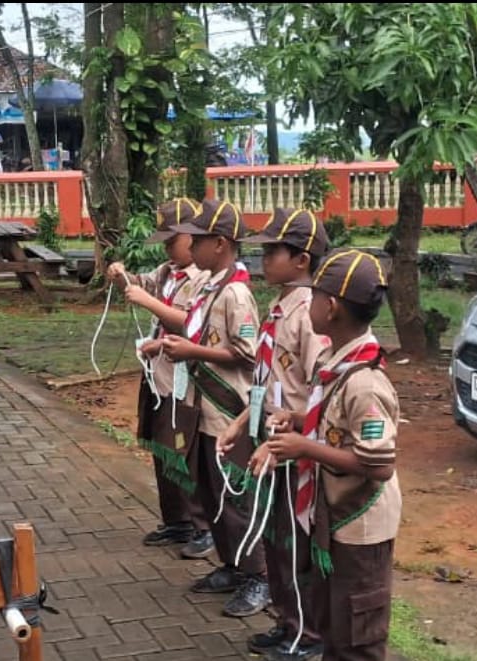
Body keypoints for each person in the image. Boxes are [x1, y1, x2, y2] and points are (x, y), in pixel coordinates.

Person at [266, 248, 400, 661]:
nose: (309, 301)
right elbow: (331, 421)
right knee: (332, 620)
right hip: (334, 514)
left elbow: (379, 464)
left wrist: (305, 447)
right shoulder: (334, 361)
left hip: (360, 524)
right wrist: (298, 419)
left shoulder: (365, 383)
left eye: (315, 294)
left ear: (332, 307)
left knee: (356, 634)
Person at [218, 208, 331, 654]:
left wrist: (289, 437)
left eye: (273, 251)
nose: (263, 258)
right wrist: (240, 423)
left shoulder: (310, 316)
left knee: (297, 543)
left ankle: (310, 633)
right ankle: (288, 622)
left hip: (297, 450)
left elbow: (321, 394)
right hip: (271, 442)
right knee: (277, 539)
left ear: (301, 259)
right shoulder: (280, 307)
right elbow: (266, 382)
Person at [161, 198, 269, 617]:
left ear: (221, 243)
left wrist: (192, 351)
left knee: (236, 497)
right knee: (211, 493)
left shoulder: (236, 293)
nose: (191, 247)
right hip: (203, 408)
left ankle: (258, 576)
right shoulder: (210, 286)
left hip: (227, 410)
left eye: (199, 240)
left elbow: (247, 353)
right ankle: (232, 564)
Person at [106, 198, 213, 555]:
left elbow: (192, 324)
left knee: (185, 452)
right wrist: (122, 277)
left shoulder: (204, 279)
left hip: (185, 381)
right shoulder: (168, 272)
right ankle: (177, 521)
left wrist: (147, 302)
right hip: (159, 377)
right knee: (161, 447)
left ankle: (202, 526)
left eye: (172, 239)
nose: (167, 247)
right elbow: (142, 285)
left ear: (193, 236)